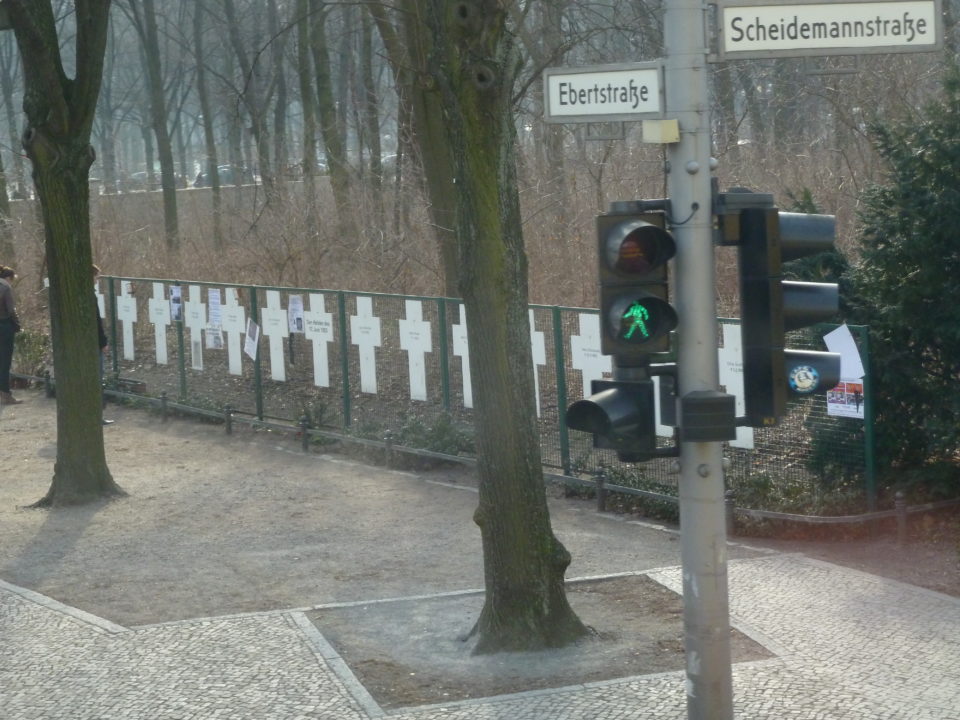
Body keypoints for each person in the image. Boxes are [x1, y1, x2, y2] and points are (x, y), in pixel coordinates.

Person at [92, 265, 114, 425]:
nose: (97, 280)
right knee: (96, 377)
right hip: (94, 344)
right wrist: (103, 342)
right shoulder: (90, 295)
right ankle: (96, 415)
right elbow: (96, 321)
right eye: (96, 276)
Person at [0, 265, 22, 405]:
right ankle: (5, 394)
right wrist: (18, 325)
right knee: (5, 361)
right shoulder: (5, 288)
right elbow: (11, 310)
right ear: (9, 278)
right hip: (4, 326)